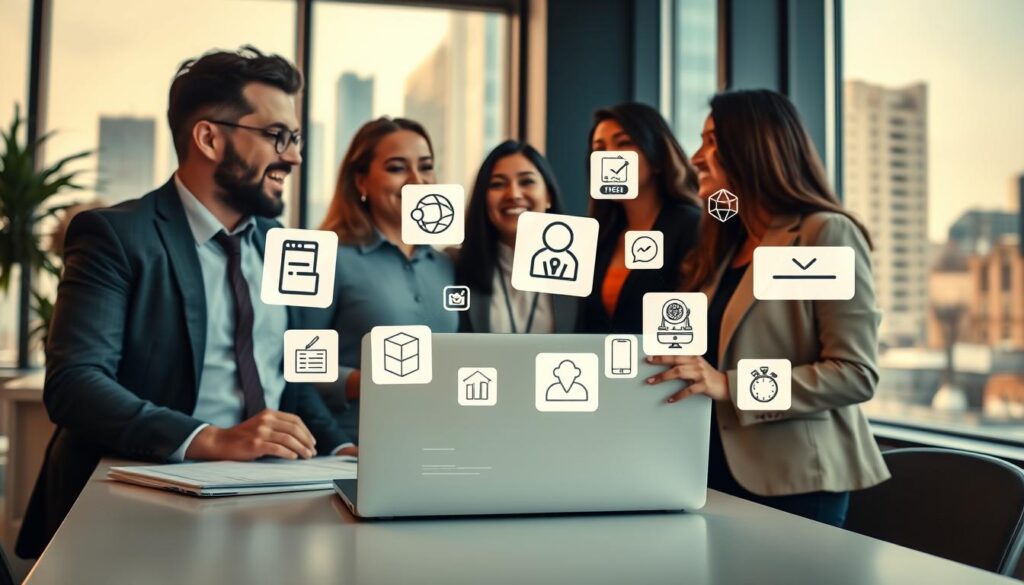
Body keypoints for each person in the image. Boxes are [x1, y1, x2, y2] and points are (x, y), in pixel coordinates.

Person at [17, 47, 356, 558]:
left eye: (295, 138)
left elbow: (289, 377)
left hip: (264, 503)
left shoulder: (280, 244)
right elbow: (75, 385)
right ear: (209, 138)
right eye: (276, 136)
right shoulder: (116, 236)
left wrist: (344, 451)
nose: (293, 157)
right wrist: (210, 439)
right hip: (130, 507)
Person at [645, 89, 890, 527]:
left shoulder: (821, 234)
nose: (696, 158)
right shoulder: (727, 243)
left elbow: (854, 373)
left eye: (712, 142)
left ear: (756, 148)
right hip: (708, 471)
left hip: (794, 480)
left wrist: (729, 384)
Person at [314, 117, 457, 440]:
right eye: (397, 168)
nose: (416, 180)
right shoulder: (329, 257)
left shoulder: (445, 265)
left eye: (426, 167)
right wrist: (366, 382)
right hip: (354, 446)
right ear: (361, 181)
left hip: (438, 441)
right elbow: (292, 365)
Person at [578, 103, 702, 333]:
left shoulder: (692, 226)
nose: (609, 158)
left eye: (624, 143)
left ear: (657, 158)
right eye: (599, 150)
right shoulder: (601, 235)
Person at [454, 140, 576, 333]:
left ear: (548, 196)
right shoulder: (455, 266)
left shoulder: (582, 268)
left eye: (526, 181)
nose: (514, 194)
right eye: (497, 184)